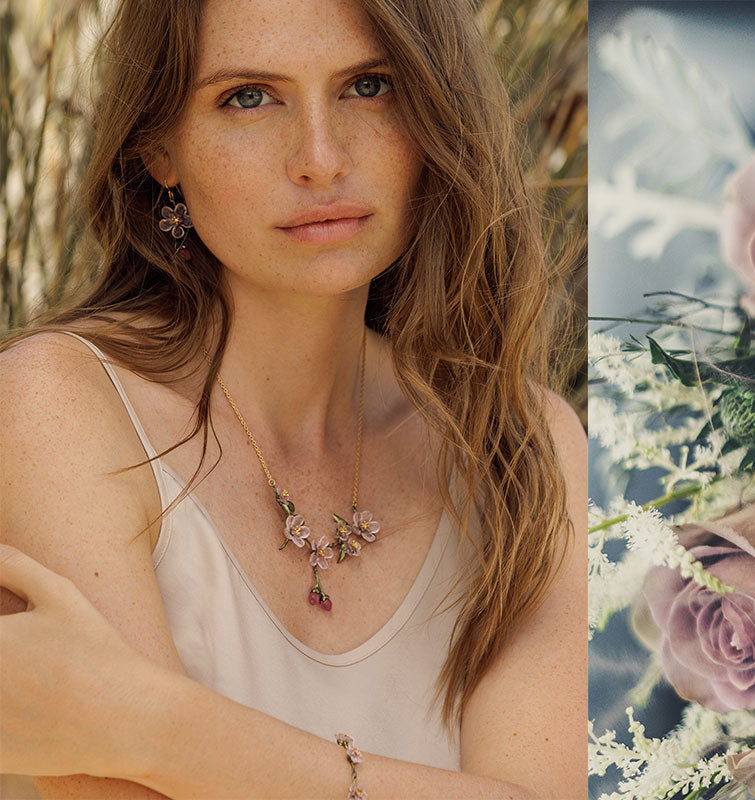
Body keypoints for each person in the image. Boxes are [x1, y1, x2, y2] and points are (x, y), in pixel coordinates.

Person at [0, 0, 586, 797]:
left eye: (369, 86)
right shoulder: (56, 408)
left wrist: (155, 728)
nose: (320, 158)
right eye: (248, 96)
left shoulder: (521, 441)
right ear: (159, 146)